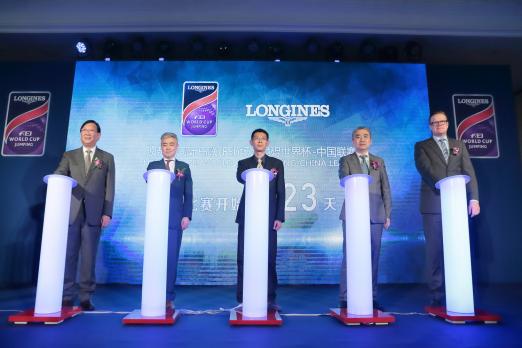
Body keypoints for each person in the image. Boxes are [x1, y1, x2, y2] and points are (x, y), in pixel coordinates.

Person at [414, 110, 480, 307]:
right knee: (435, 251)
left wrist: (474, 199)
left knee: (457, 249)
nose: (439, 125)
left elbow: (469, 171)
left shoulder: (458, 145)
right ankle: (437, 296)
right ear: (430, 126)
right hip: (433, 203)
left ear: (448, 124)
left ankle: (458, 292)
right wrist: (446, 183)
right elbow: (425, 169)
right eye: (434, 123)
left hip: (457, 204)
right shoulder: (421, 146)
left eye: (442, 122)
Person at [55, 120, 115, 311]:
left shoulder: (106, 157)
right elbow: (60, 174)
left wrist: (107, 213)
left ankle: (85, 297)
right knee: (69, 255)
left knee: (89, 257)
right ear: (80, 134)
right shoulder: (69, 155)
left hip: (95, 214)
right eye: (84, 130)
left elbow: (110, 189)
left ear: (98, 135)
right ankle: (66, 295)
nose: (87, 133)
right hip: (71, 213)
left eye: (91, 131)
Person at [338, 126, 391, 310]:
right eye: (358, 137)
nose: (362, 140)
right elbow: (344, 179)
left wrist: (387, 213)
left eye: (365, 136)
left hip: (376, 214)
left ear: (370, 140)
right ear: (353, 141)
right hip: (353, 214)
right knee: (350, 255)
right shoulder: (346, 160)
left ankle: (371, 296)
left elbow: (386, 188)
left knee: (373, 256)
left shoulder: (379, 161)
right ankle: (345, 297)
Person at [235, 129, 285, 310]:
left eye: (263, 139)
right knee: (243, 256)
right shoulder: (244, 163)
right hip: (248, 217)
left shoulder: (277, 163)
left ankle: (269, 298)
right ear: (251, 142)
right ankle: (243, 298)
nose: (260, 141)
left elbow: (281, 191)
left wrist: (280, 216)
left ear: (267, 143)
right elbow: (240, 178)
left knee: (269, 257)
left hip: (269, 217)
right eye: (256, 139)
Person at [147, 132, 193, 311]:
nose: (168, 147)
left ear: (177, 146)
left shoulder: (184, 167)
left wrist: (186, 215)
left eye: (171, 144)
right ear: (161, 146)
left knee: (171, 258)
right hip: (155, 219)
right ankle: (153, 293)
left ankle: (168, 296)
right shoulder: (153, 166)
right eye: (165, 144)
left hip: (175, 219)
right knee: (154, 258)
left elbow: (188, 194)